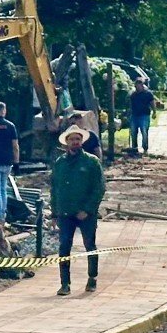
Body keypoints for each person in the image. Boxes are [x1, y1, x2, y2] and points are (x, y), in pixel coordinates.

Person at [50, 125, 106, 295]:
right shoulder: (60, 163)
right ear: (66, 142)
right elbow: (54, 189)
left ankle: (92, 278)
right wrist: (54, 213)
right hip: (65, 212)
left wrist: (88, 209)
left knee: (90, 245)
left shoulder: (91, 162)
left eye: (78, 139)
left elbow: (99, 188)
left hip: (85, 214)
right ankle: (65, 283)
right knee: (64, 247)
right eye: (72, 139)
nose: (75, 142)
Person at [127, 79, 156, 156]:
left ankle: (145, 148)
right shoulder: (133, 95)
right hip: (134, 115)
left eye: (138, 85)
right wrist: (129, 113)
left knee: (144, 131)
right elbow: (130, 104)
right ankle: (134, 147)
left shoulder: (148, 94)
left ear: (142, 85)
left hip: (144, 115)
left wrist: (154, 112)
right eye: (136, 86)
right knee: (133, 131)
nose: (137, 87)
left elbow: (152, 103)